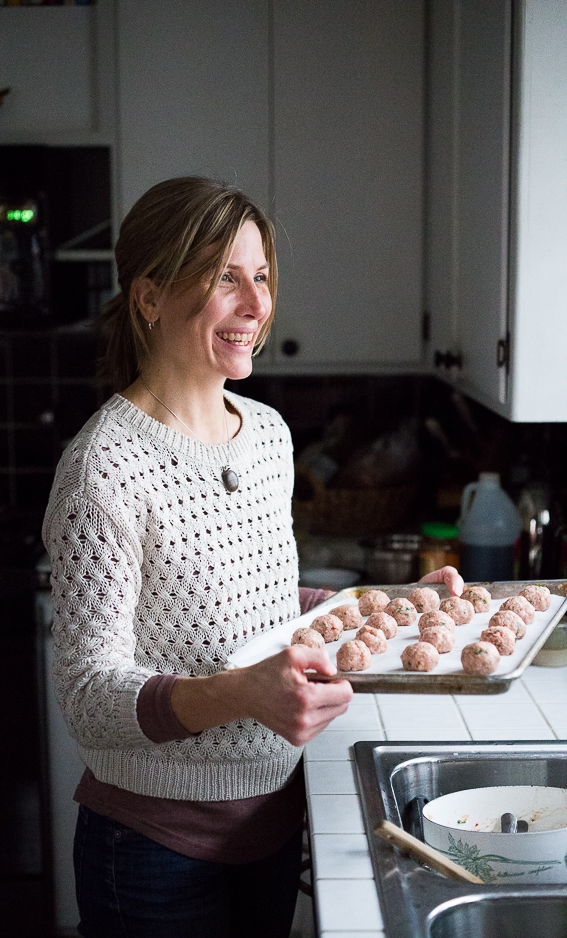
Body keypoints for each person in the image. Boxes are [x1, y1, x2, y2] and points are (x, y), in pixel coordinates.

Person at [42, 176, 464, 938]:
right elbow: (86, 698)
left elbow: (262, 606)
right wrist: (242, 694)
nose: (254, 304)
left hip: (272, 819)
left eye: (261, 276)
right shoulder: (101, 469)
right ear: (148, 298)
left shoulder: (266, 433)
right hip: (151, 851)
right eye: (222, 278)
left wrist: (392, 606)